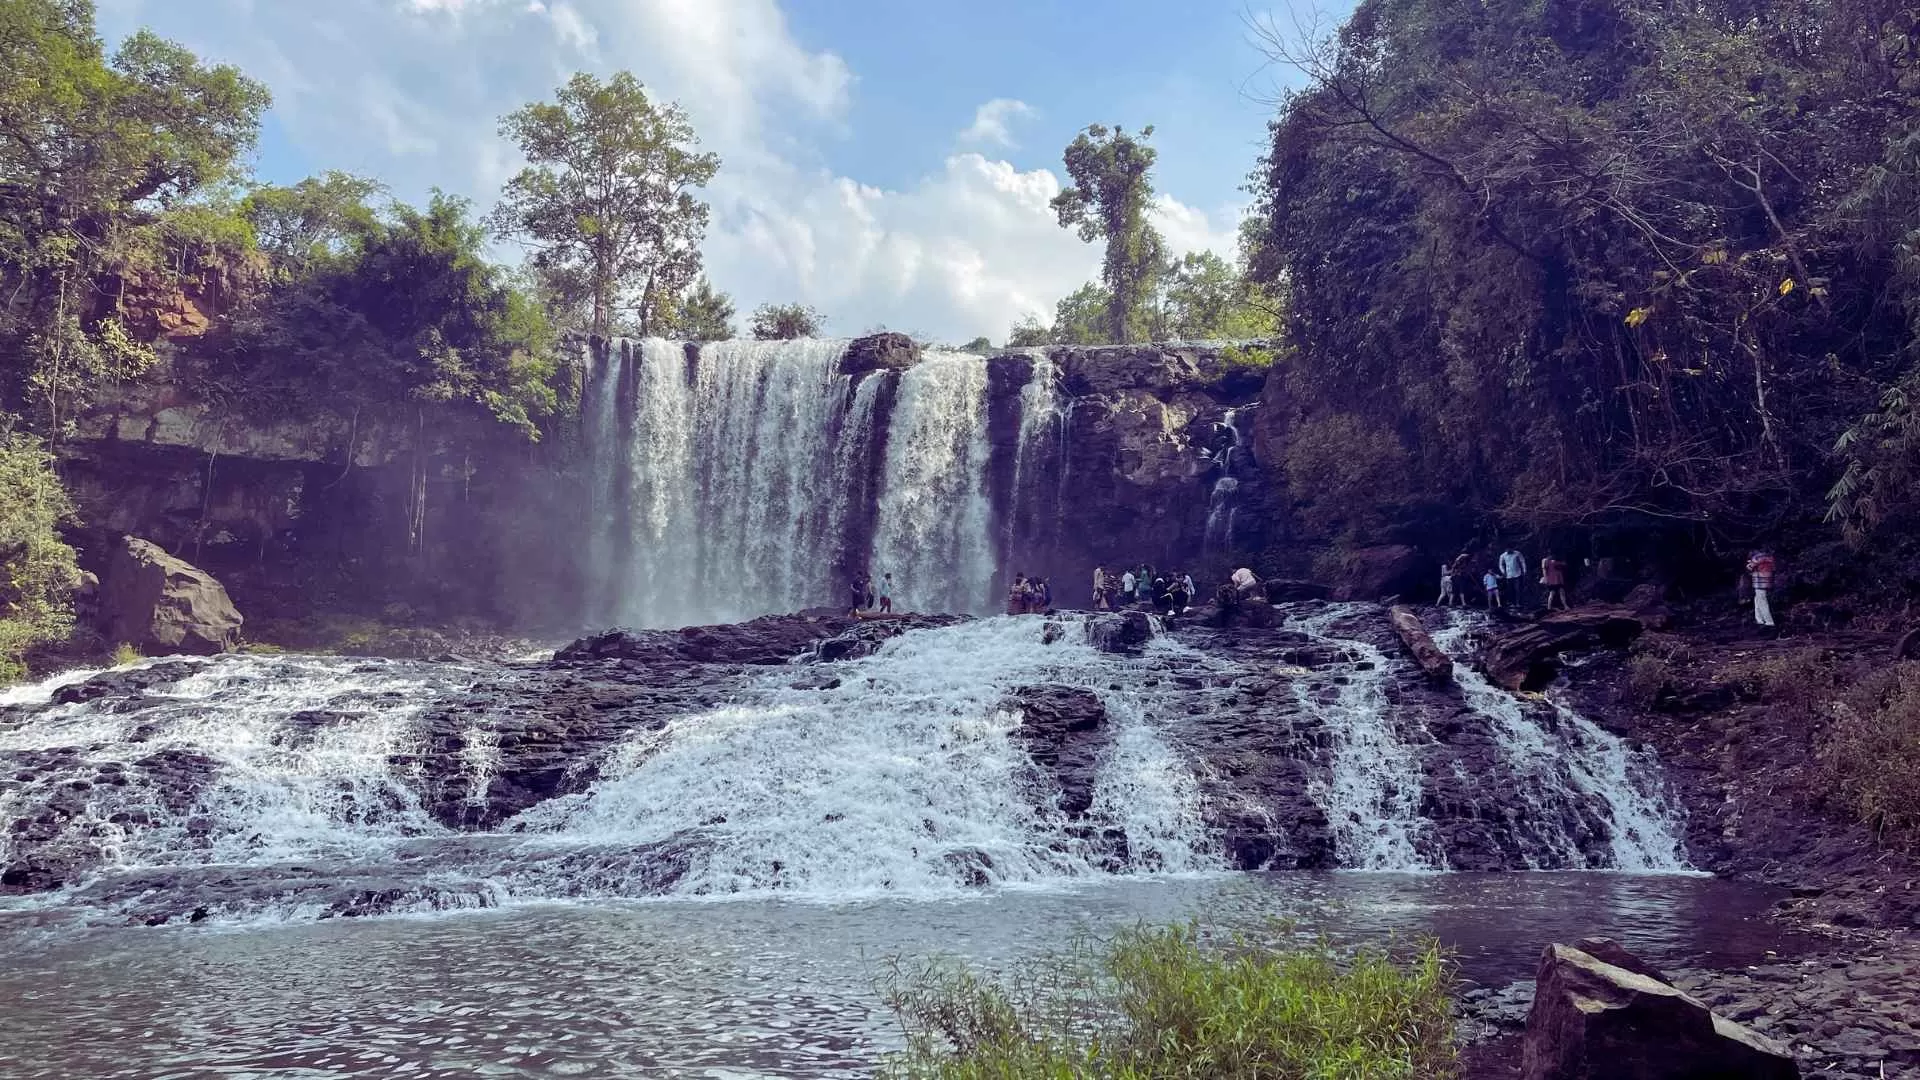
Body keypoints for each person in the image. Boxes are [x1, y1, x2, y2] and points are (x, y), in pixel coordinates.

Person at [1746, 549, 1777, 630]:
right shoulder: (1770, 557)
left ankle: (1769, 622)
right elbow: (1774, 569)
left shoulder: (1756, 558)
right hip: (1767, 581)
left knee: (1762, 601)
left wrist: (1749, 563)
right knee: (1757, 599)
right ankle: (1759, 619)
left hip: (1759, 582)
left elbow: (1749, 567)